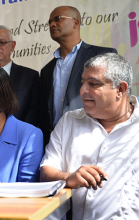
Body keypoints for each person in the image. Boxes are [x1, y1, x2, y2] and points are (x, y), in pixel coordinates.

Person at [40, 53, 139, 219]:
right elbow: (46, 171)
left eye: (93, 83)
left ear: (120, 90)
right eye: (82, 82)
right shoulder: (69, 122)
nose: (83, 90)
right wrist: (69, 178)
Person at [39, 6, 118, 147]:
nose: (51, 24)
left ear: (75, 23)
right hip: (56, 144)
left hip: (95, 140)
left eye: (57, 19)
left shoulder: (104, 56)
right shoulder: (46, 70)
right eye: (49, 22)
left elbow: (116, 99)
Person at [0, 25, 40, 126]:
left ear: (12, 46)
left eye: (2, 42)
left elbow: (34, 111)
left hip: (20, 136)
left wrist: (20, 134)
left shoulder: (30, 76)